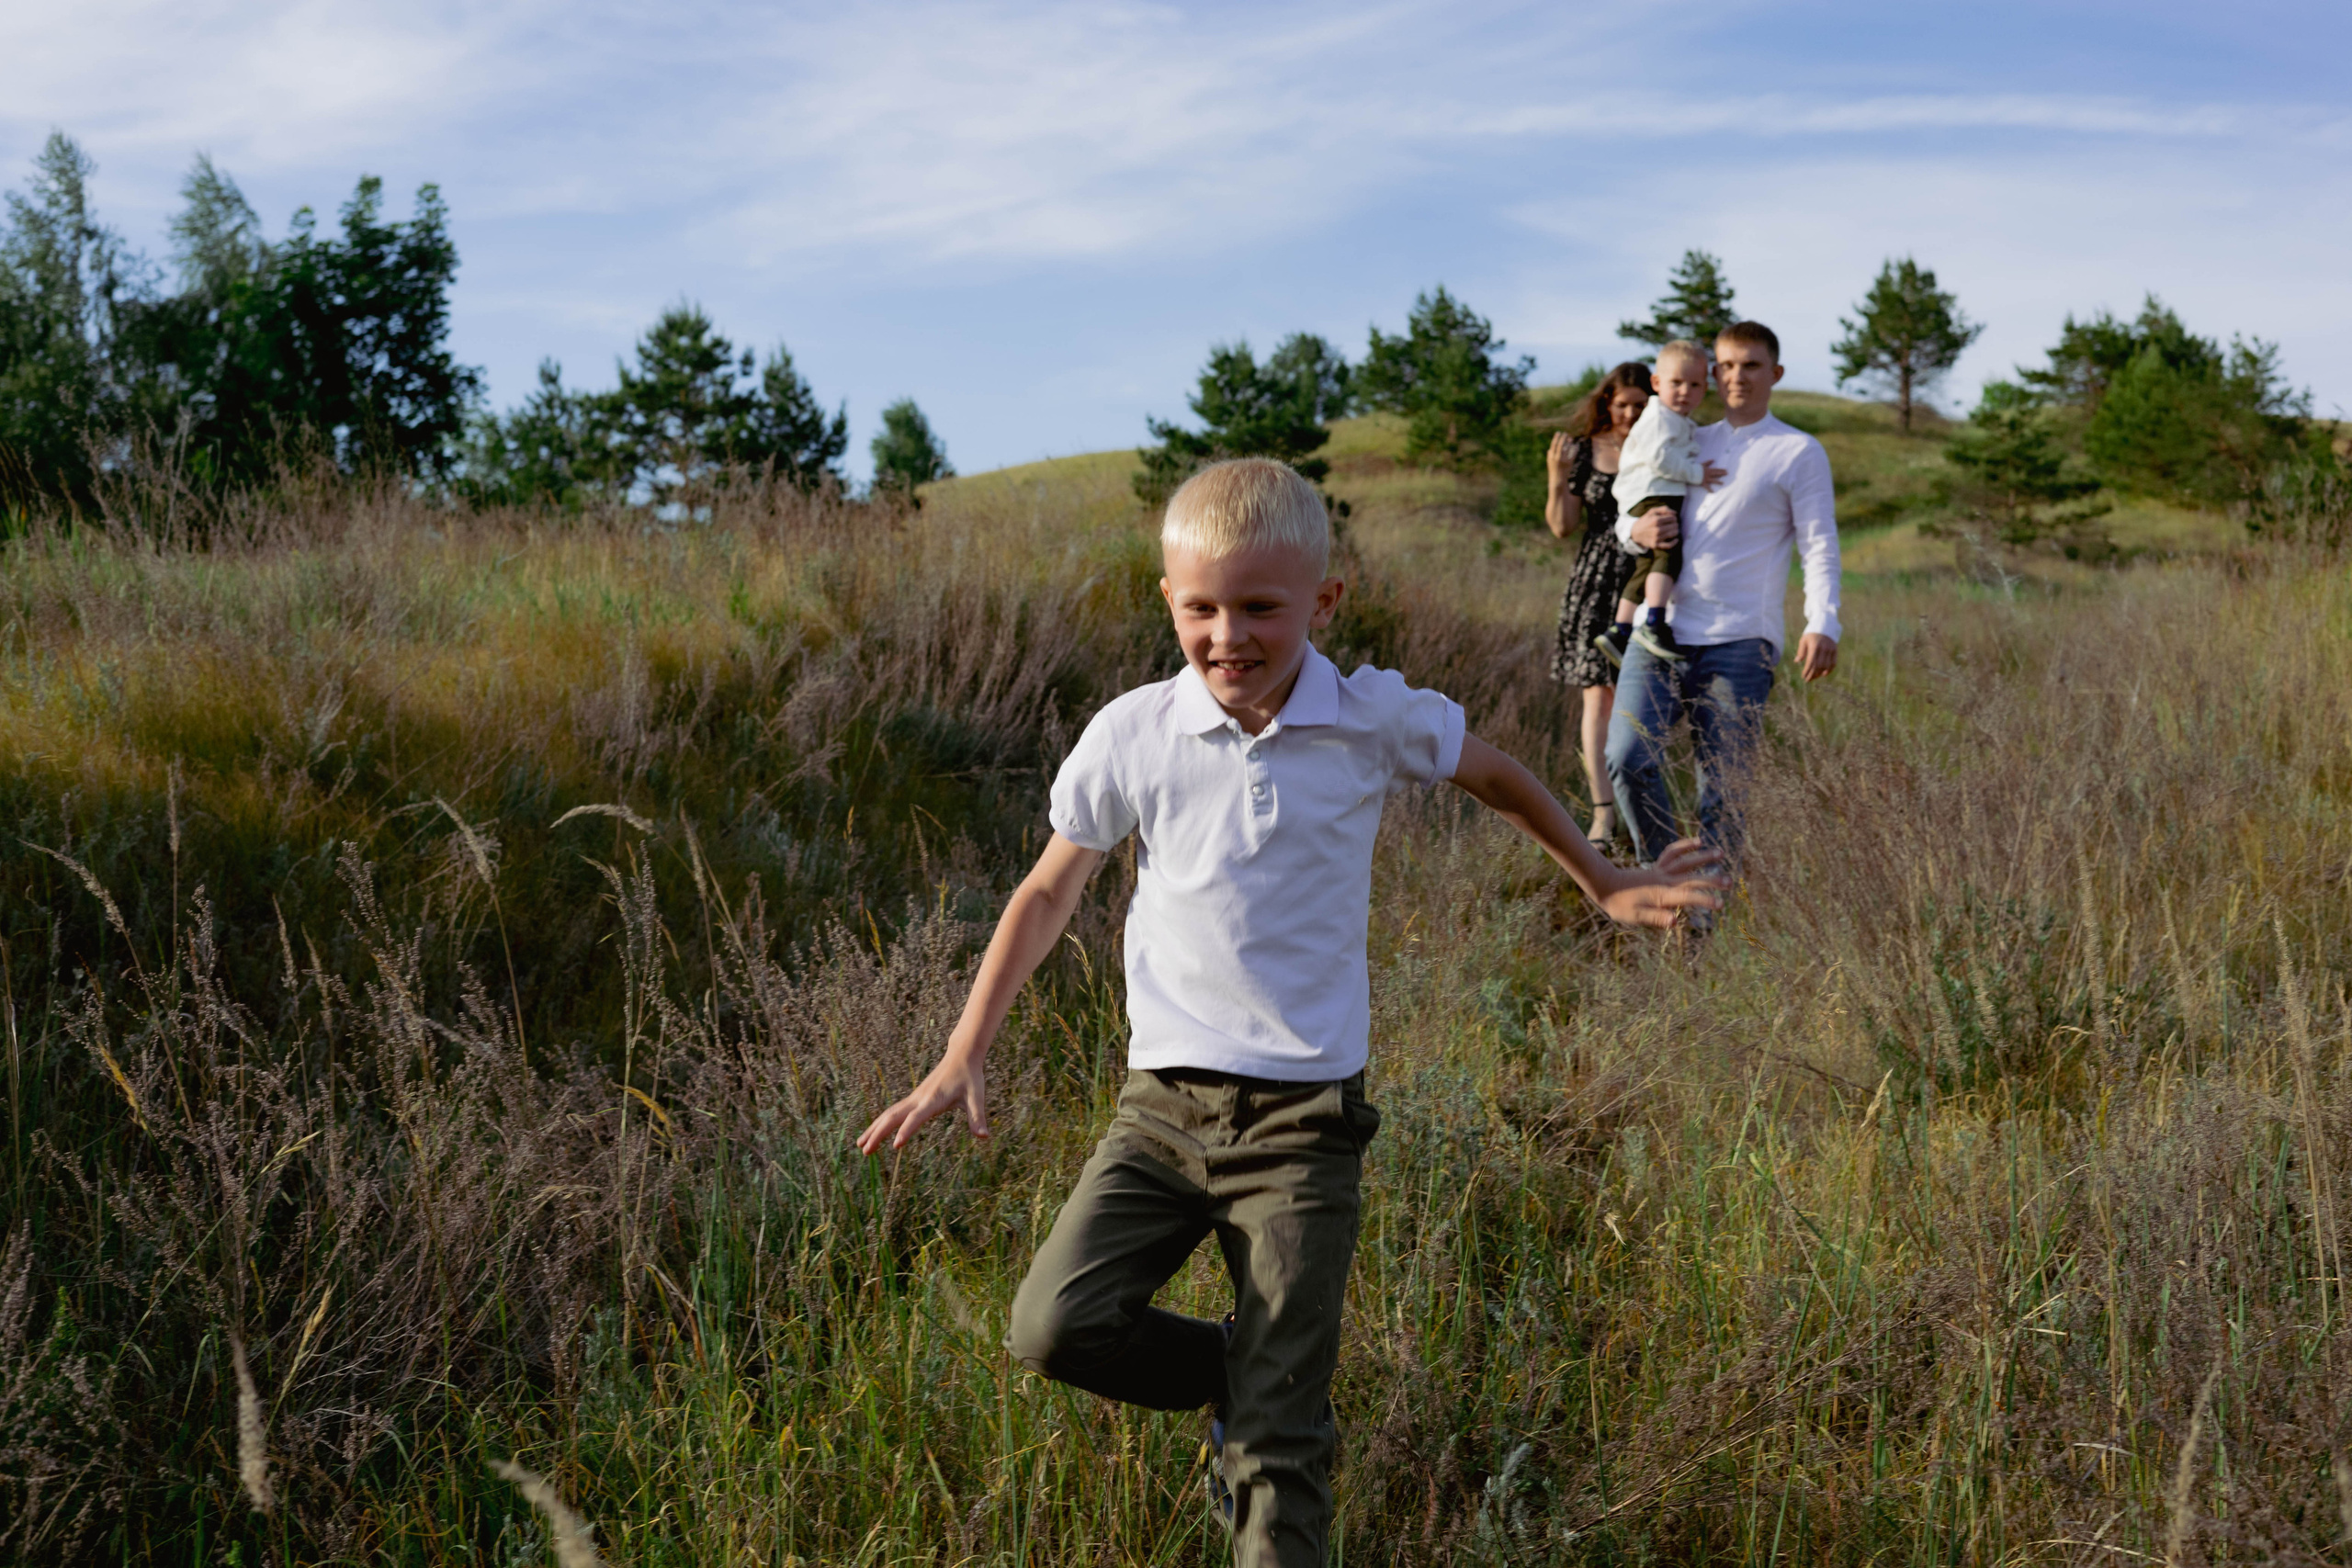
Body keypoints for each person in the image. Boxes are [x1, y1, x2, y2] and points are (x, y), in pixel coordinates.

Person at [856, 458, 1724, 1568]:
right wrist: (959, 1049)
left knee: (1278, 1447)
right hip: (1160, 1117)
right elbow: (1045, 891)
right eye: (1200, 608)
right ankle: (1236, 1368)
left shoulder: (1368, 719)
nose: (1229, 635)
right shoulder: (1135, 732)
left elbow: (1498, 773)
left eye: (1260, 607)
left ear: (1321, 604)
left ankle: (1265, 1397)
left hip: (1305, 1131)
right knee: (1055, 1325)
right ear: (1167, 600)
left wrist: (1598, 881)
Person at [1606, 320, 1841, 876]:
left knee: (1723, 792)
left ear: (1775, 373)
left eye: (1751, 365)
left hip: (1740, 642)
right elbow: (1633, 499)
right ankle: (1666, 885)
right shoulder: (1685, 435)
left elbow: (1819, 544)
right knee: (1626, 757)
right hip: (1659, 633)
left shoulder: (1798, 452)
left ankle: (1702, 925)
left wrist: (1822, 622)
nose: (1737, 377)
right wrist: (1630, 534)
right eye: (1727, 366)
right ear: (1714, 373)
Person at [1545, 361, 1652, 850]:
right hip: (1594, 584)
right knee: (1597, 696)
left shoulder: (1659, 444)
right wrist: (1558, 476)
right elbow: (1562, 527)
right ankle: (1603, 811)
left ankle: (1643, 803)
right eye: (1622, 403)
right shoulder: (1586, 450)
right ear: (1606, 402)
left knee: (1642, 698)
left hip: (1645, 579)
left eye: (1639, 404)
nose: (1630, 413)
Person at [1603, 340, 1715, 666]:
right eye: (1676, 383)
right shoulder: (1659, 417)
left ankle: (1620, 629)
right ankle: (1654, 620)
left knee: (1647, 563)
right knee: (1668, 553)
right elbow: (1659, 457)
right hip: (1653, 492)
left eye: (1694, 385)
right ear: (1656, 383)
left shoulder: (1677, 421)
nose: (1684, 391)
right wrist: (1696, 473)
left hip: (1650, 492)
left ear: (1704, 389)